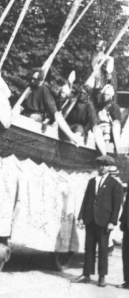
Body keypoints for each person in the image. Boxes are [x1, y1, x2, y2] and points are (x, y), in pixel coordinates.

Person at [73, 155, 123, 287]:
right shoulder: (92, 181)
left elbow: (117, 206)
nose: (103, 167)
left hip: (104, 222)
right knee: (89, 248)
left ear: (110, 167)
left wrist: (112, 222)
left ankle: (102, 277)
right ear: (98, 166)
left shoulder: (115, 184)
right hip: (90, 219)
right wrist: (81, 217)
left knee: (103, 249)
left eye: (106, 165)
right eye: (101, 165)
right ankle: (86, 274)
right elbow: (86, 200)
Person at [65, 85, 107, 154]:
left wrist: (94, 127)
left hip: (80, 128)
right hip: (70, 124)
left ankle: (73, 148)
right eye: (81, 92)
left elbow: (93, 117)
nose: (81, 94)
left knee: (79, 129)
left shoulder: (89, 105)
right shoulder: (75, 100)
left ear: (88, 95)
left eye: (84, 93)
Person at [86, 39, 116, 104]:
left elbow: (109, 74)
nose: (97, 48)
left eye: (99, 47)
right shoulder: (92, 57)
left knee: (100, 100)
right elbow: (89, 70)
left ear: (103, 48)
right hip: (91, 82)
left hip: (101, 84)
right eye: (96, 46)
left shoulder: (108, 59)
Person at [97, 84, 122, 154]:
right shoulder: (100, 106)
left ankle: (114, 151)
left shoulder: (114, 106)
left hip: (109, 128)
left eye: (107, 95)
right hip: (100, 127)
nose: (105, 96)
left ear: (111, 96)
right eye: (104, 94)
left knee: (108, 131)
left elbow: (118, 120)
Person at [118, 188, 129, 289]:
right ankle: (127, 281)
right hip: (127, 226)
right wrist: (122, 221)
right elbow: (126, 206)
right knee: (126, 255)